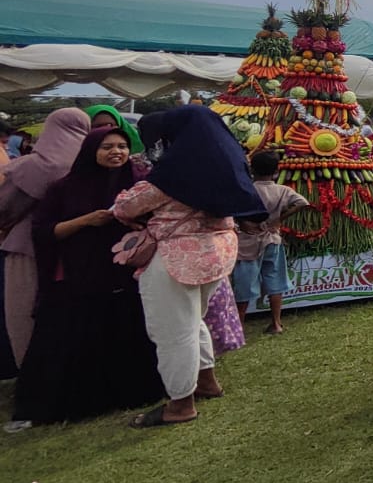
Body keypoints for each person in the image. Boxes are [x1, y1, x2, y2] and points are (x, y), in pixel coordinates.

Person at [113, 106, 267, 428]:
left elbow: (126, 206)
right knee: (193, 320)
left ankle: (180, 404)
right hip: (217, 255)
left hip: (177, 259)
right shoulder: (229, 166)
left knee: (172, 331)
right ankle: (207, 381)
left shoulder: (174, 174)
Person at [9, 126, 166, 429]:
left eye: (122, 146)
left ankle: (130, 393)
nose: (116, 152)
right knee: (71, 337)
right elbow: (44, 232)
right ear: (90, 150)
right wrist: (88, 220)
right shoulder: (64, 188)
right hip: (79, 279)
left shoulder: (137, 185)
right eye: (107, 146)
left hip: (125, 276)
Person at [0, 107, 91, 366]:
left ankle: (29, 371)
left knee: (23, 310)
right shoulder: (90, 162)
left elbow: (5, 207)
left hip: (26, 246)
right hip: (76, 246)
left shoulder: (33, 166)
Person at [232, 150, 309, 335]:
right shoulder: (281, 190)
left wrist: (243, 222)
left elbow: (231, 208)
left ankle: (239, 326)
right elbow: (302, 203)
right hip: (272, 240)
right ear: (276, 171)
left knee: (244, 284)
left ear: (252, 169)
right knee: (275, 280)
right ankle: (276, 323)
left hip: (248, 243)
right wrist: (278, 220)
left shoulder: (247, 189)